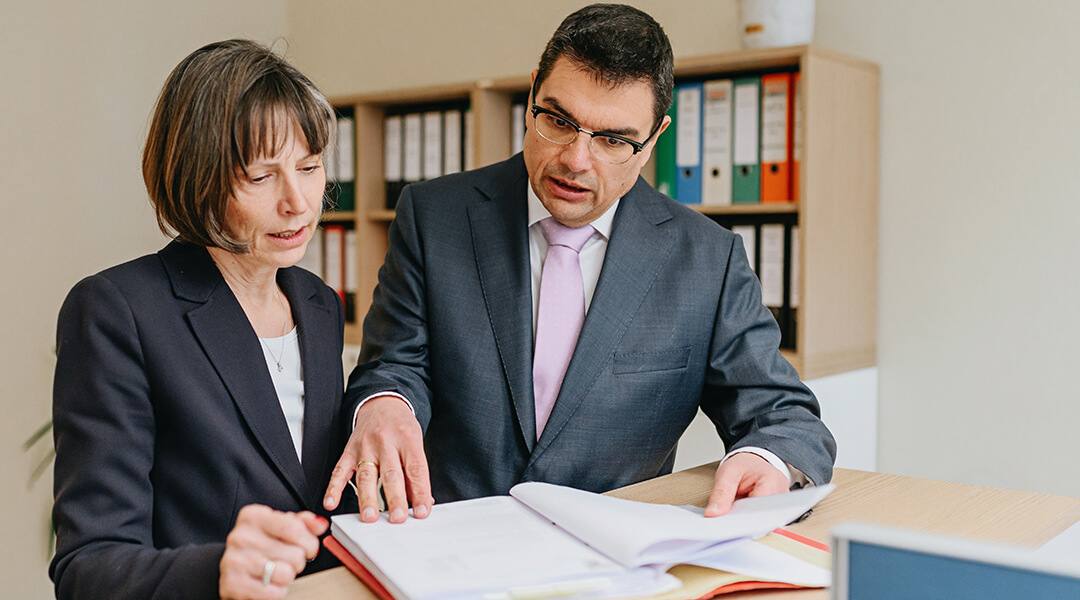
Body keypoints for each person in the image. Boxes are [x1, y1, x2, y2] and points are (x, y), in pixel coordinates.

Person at [323, 3, 836, 525]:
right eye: (559, 121)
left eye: (614, 140)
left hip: (615, 550)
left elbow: (784, 416)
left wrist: (765, 459)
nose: (575, 159)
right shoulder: (433, 217)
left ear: (654, 139)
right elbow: (393, 365)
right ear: (532, 96)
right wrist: (385, 403)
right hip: (450, 539)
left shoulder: (707, 260)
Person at [50, 39, 355, 600]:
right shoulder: (117, 311)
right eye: (261, 177)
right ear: (199, 178)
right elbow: (86, 568)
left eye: (309, 167)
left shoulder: (319, 304)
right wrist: (217, 572)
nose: (298, 202)